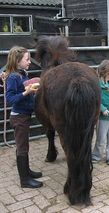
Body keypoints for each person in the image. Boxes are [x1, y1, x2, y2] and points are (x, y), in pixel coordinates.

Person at [5, 46, 43, 188]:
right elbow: (10, 99)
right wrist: (26, 93)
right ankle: (24, 180)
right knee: (22, 147)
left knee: (24, 146)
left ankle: (27, 171)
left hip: (24, 116)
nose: (29, 62)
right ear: (17, 61)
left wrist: (32, 87)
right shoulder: (14, 76)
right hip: (19, 118)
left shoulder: (21, 73)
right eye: (27, 59)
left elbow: (24, 88)